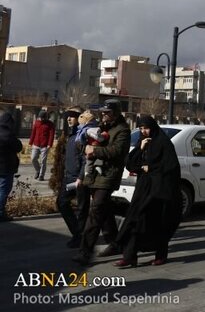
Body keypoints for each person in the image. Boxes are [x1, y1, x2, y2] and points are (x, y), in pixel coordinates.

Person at [113, 115, 182, 268]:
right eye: (141, 128)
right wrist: (140, 148)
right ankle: (130, 256)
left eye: (146, 128)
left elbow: (171, 167)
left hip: (159, 191)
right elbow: (130, 165)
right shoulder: (142, 142)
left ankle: (160, 255)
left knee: (159, 224)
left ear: (153, 127)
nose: (144, 131)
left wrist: (150, 168)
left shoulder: (164, 143)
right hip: (143, 189)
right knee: (135, 221)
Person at [72, 99, 130, 266]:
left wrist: (94, 150)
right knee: (105, 210)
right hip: (94, 174)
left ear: (116, 113)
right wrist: (84, 147)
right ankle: (115, 243)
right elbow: (87, 145)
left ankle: (85, 252)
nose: (104, 115)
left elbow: (117, 151)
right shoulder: (101, 127)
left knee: (96, 210)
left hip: (109, 175)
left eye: (108, 112)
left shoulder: (123, 130)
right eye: (103, 112)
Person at [52, 108, 90, 247]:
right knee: (61, 203)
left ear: (80, 118)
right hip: (68, 177)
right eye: (67, 116)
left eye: (72, 116)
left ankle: (80, 238)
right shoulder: (70, 135)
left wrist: (81, 177)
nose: (69, 119)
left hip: (80, 179)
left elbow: (86, 159)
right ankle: (77, 233)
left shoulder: (83, 135)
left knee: (82, 209)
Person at [0, 112, 23, 222]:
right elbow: (18, 147)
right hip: (6, 167)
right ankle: (0, 212)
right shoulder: (9, 135)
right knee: (3, 190)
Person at [29, 110, 55, 181]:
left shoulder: (50, 124)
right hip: (36, 144)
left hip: (45, 146)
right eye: (39, 117)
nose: (40, 119)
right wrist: (30, 142)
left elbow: (51, 135)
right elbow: (33, 133)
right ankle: (38, 170)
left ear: (45, 117)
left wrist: (49, 144)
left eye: (42, 118)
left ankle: (41, 175)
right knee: (33, 159)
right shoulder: (36, 123)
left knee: (43, 161)